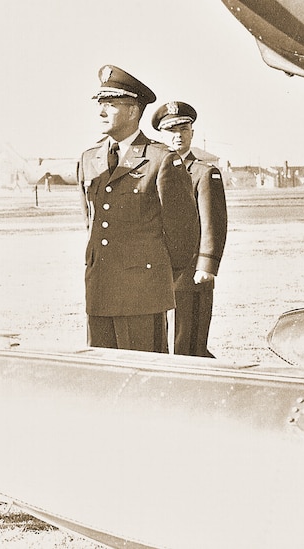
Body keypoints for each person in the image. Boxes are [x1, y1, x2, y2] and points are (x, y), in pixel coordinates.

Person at [77, 65, 198, 353]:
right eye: (100, 105)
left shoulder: (160, 159)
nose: (101, 113)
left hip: (143, 294)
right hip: (99, 292)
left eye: (110, 105)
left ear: (133, 111)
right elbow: (90, 222)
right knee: (102, 380)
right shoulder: (89, 158)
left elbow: (183, 235)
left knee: (146, 380)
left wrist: (154, 277)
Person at [151, 101, 228, 357]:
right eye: (171, 130)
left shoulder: (204, 173)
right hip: (159, 272)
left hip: (191, 274)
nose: (178, 136)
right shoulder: (150, 170)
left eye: (184, 129)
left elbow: (213, 222)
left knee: (189, 344)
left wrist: (206, 266)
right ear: (160, 135)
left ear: (192, 133)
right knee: (161, 345)